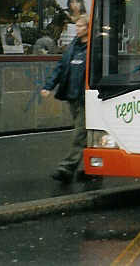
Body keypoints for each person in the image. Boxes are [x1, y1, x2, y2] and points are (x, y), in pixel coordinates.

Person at [41, 14, 91, 182]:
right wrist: (48, 86)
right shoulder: (73, 46)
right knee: (87, 133)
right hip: (73, 96)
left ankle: (67, 167)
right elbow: (61, 67)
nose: (76, 29)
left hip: (87, 98)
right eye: (75, 26)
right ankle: (92, 168)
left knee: (80, 133)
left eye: (80, 27)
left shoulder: (93, 48)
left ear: (88, 28)